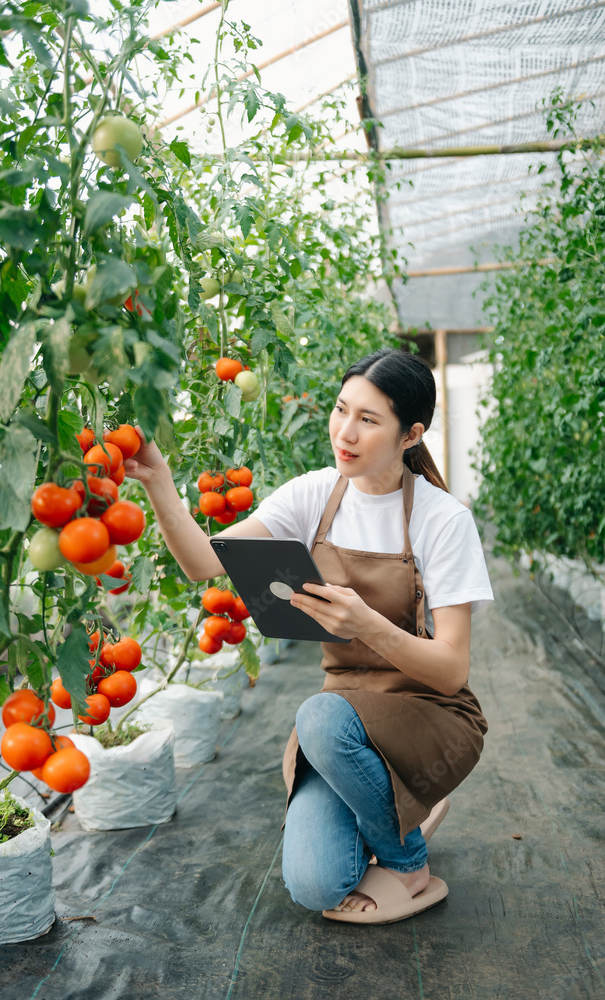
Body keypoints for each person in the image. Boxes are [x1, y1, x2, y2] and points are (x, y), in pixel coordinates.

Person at [124, 346, 494, 925]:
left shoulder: (443, 520)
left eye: (369, 420)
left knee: (316, 715)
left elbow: (452, 670)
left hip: (429, 714)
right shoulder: (314, 495)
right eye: (342, 409)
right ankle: (396, 801)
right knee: (317, 885)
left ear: (410, 435)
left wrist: (366, 624)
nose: (345, 432)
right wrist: (158, 482)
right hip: (345, 726)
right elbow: (203, 563)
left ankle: (408, 857)